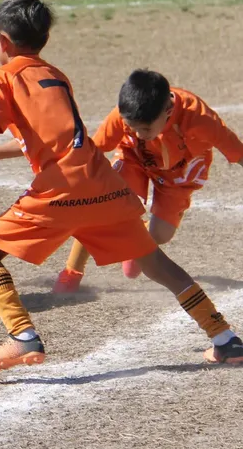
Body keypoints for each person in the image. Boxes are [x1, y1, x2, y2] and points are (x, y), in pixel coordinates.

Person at [0, 0, 243, 371]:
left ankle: (22, 336)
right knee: (156, 263)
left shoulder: (0, 77)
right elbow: (67, 140)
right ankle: (225, 339)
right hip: (103, 183)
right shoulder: (55, 76)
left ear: (2, 41)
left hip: (61, 187)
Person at [54, 71, 243, 292]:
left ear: (169, 112)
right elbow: (92, 151)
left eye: (145, 129)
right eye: (132, 127)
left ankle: (137, 239)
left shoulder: (199, 118)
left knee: (162, 234)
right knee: (104, 206)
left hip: (178, 175)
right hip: (134, 158)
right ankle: (71, 272)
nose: (137, 132)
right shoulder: (124, 117)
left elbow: (238, 153)